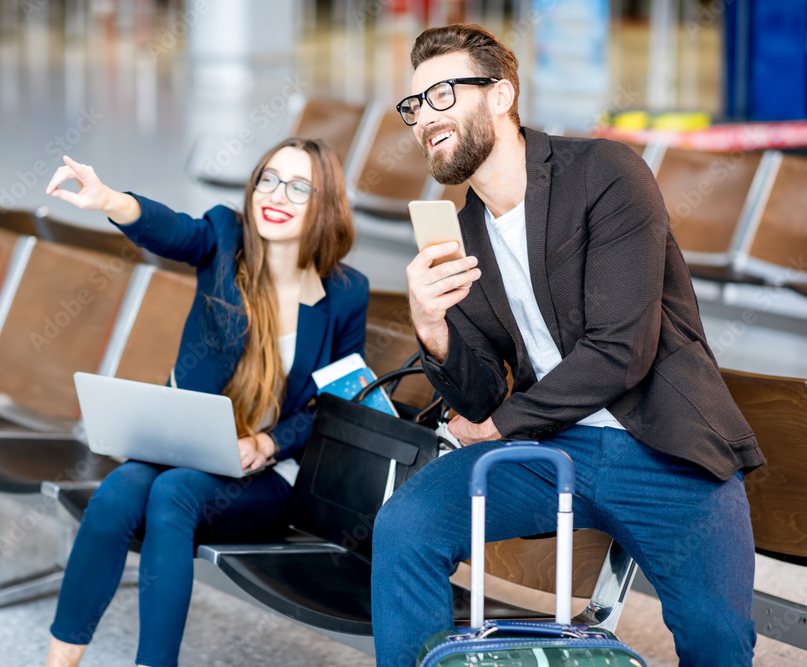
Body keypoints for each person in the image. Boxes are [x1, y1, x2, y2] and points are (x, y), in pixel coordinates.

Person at [371, 24, 764, 667]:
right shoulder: (462, 230)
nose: (423, 118)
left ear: (500, 96)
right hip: (550, 450)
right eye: (414, 106)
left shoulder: (605, 173)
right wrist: (434, 328)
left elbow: (621, 350)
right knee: (407, 526)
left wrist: (499, 424)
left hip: (664, 448)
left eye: (442, 96)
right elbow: (478, 395)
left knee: (718, 638)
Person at [41, 137, 368, 667]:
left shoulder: (346, 293)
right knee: (118, 492)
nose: (276, 194)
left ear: (324, 203)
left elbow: (337, 406)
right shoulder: (224, 239)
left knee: (172, 494)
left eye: (298, 186)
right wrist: (108, 200)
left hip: (268, 475)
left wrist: (268, 442)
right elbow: (168, 228)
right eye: (268, 178)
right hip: (189, 449)